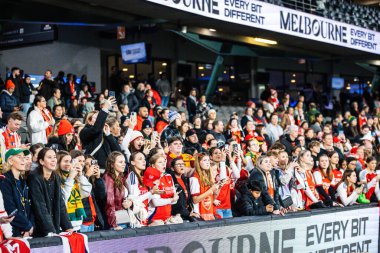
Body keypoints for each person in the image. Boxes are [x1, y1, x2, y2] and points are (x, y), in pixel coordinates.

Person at [28, 148, 73, 236]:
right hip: (39, 229)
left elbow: (60, 203)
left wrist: (67, 226)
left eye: (54, 157)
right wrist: (50, 230)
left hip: (53, 227)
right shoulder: (34, 177)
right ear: (41, 161)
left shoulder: (56, 177)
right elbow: (40, 206)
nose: (53, 160)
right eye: (49, 157)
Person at [0, 148, 34, 237]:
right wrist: (27, 226)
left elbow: (29, 207)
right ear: (10, 161)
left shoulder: (23, 181)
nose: (23, 160)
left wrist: (29, 227)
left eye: (24, 157)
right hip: (11, 233)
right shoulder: (4, 181)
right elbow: (10, 209)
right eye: (19, 157)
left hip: (26, 231)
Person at [56, 151, 92, 231]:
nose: (68, 164)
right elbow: (63, 199)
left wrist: (80, 176)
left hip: (78, 223)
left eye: (70, 161)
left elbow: (86, 193)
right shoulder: (56, 178)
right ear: (58, 163)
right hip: (64, 225)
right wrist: (70, 178)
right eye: (65, 161)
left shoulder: (74, 177)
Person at [80, 97, 116, 169]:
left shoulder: (104, 133)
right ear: (89, 121)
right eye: (96, 118)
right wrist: (105, 108)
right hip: (93, 168)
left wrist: (109, 135)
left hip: (107, 169)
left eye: (99, 118)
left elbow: (117, 150)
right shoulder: (84, 131)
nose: (99, 120)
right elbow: (96, 129)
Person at [148, 154, 180, 225]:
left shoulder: (168, 176)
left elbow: (175, 200)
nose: (163, 164)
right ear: (153, 166)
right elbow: (156, 202)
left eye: (164, 162)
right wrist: (171, 200)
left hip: (167, 217)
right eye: (160, 162)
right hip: (154, 218)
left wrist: (173, 199)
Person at [103, 151, 131, 230]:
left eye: (124, 162)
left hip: (123, 218)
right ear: (112, 164)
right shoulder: (108, 178)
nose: (124, 164)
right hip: (116, 221)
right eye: (120, 162)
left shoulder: (120, 177)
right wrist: (113, 224)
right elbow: (109, 202)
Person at [190, 153, 221, 220]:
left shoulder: (208, 177)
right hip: (200, 215)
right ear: (198, 162)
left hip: (210, 212)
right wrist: (211, 190)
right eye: (204, 160)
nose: (207, 163)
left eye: (208, 160)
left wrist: (218, 187)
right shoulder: (194, 178)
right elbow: (195, 200)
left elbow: (213, 198)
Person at [81, 156, 106, 231]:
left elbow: (102, 196)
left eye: (92, 164)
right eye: (87, 164)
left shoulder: (94, 180)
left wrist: (98, 178)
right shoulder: (81, 180)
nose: (90, 167)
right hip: (84, 222)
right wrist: (87, 176)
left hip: (93, 221)